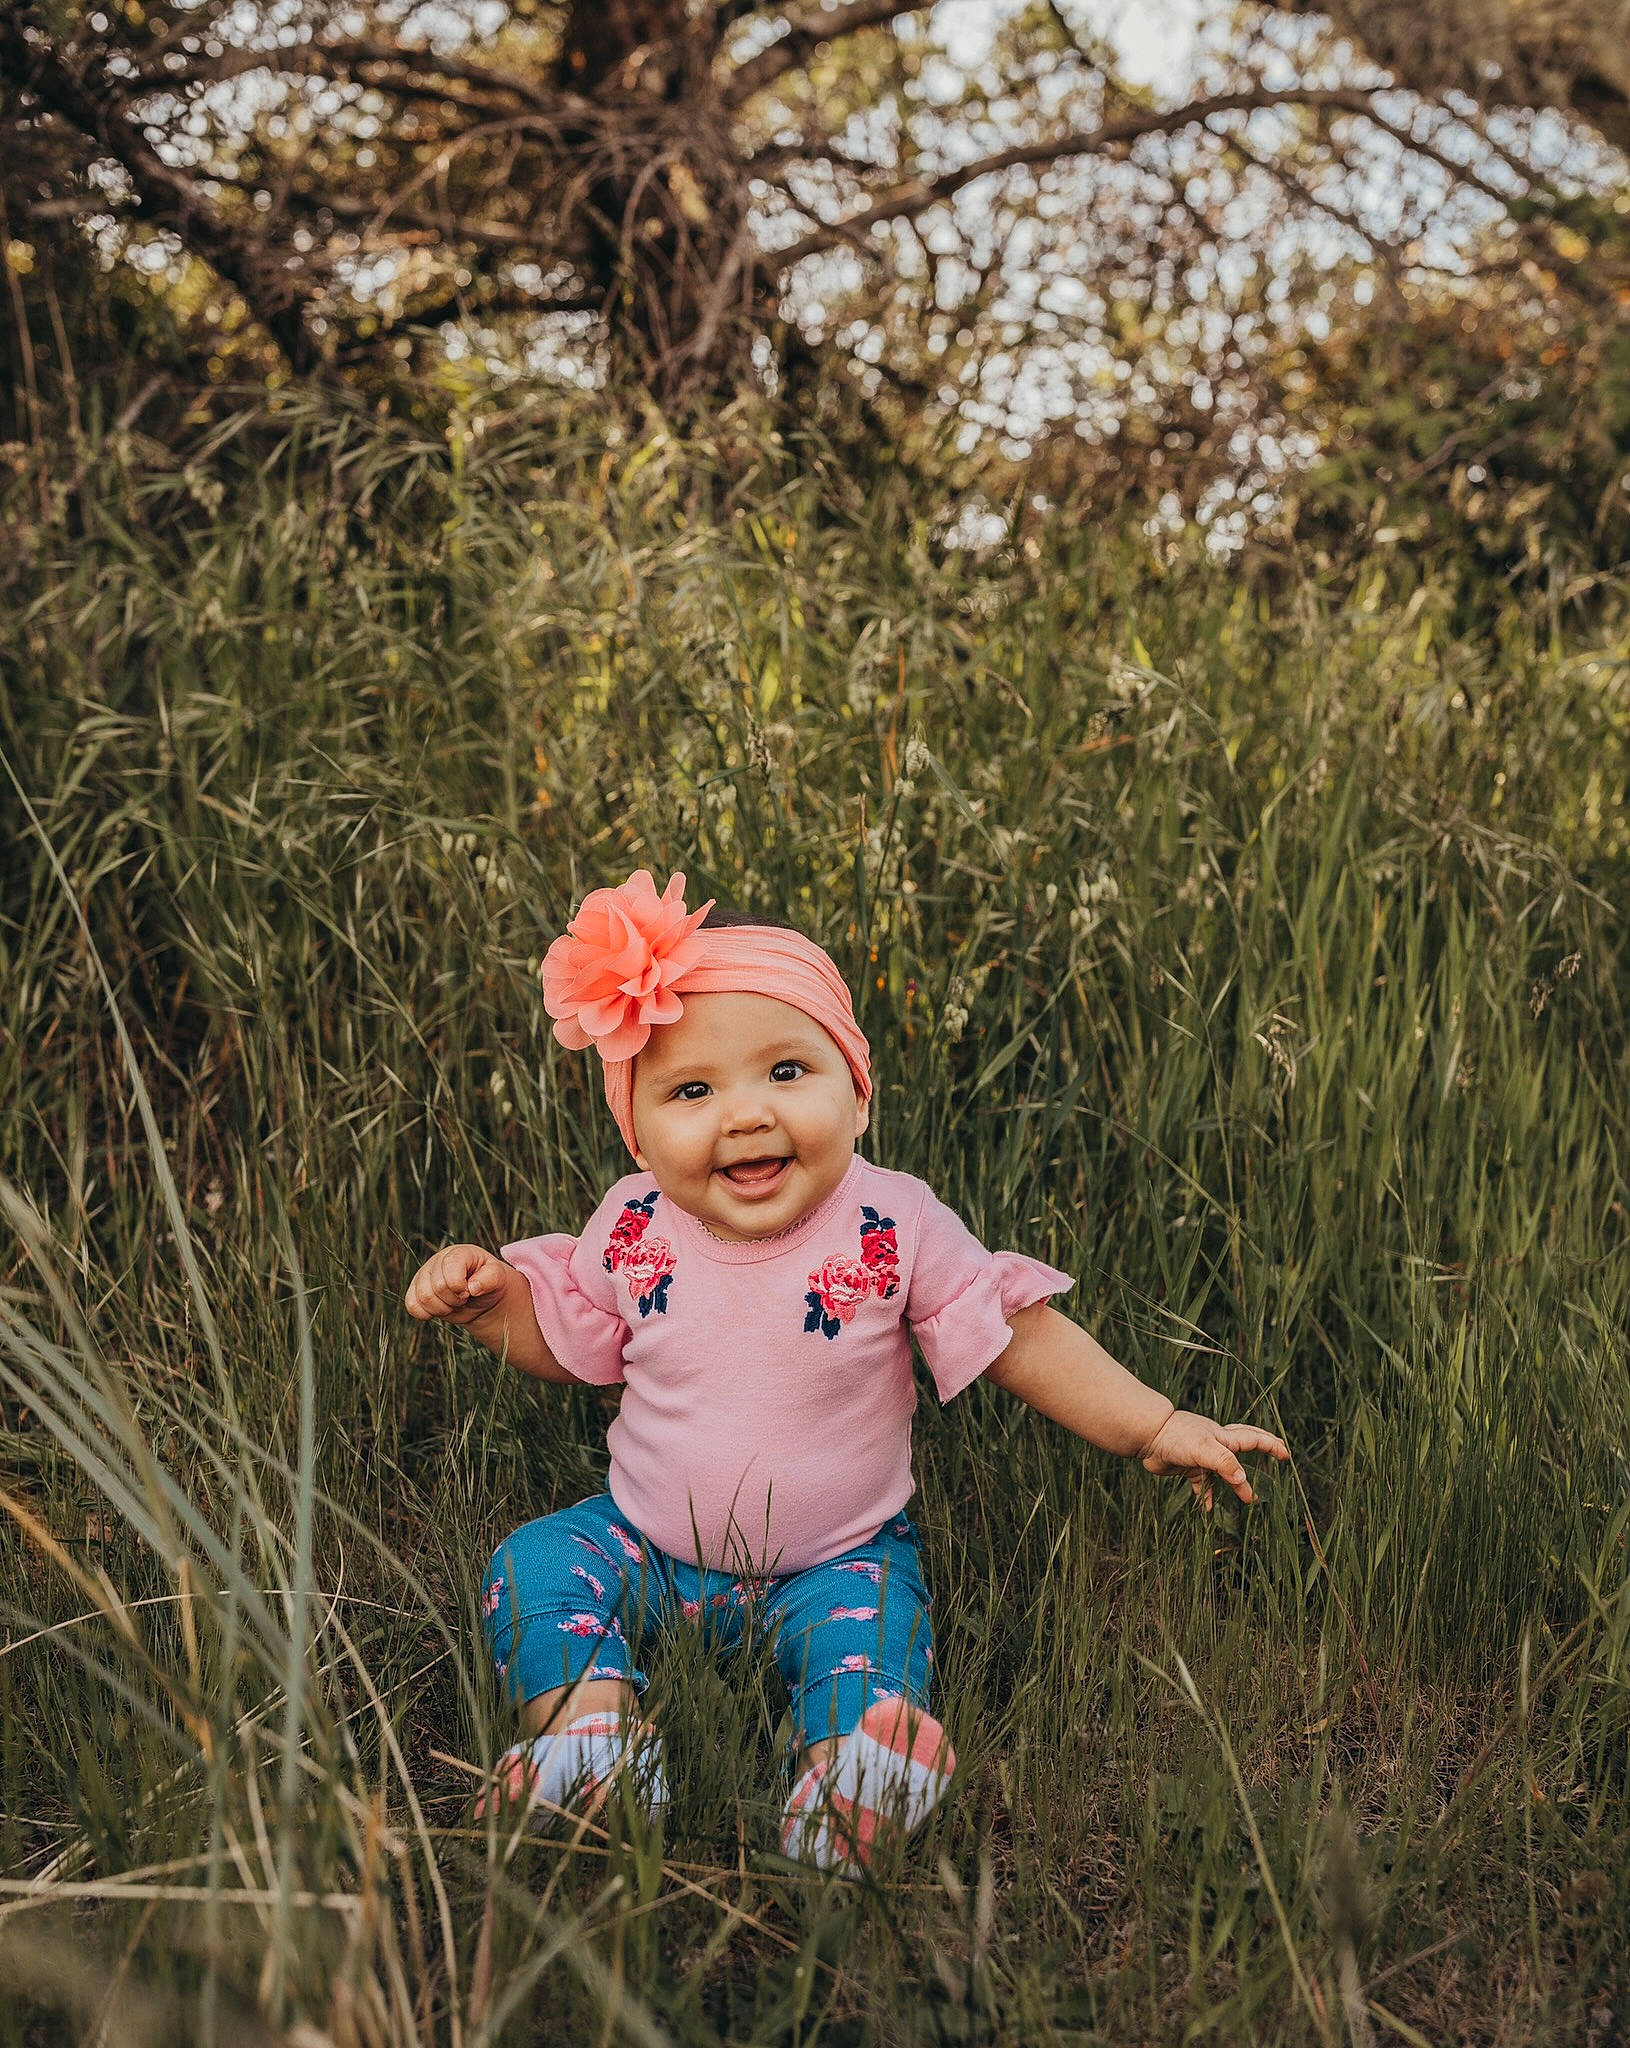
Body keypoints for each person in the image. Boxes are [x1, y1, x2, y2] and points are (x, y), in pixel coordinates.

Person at [404, 870, 1288, 1871]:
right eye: (693, 1090)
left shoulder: (891, 1225)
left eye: (786, 1071)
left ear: (857, 1094)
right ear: (638, 1134)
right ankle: (591, 1742)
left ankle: (850, 1782)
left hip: (840, 1557)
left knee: (868, 1648)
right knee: (535, 1565)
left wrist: (1154, 1423)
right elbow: (571, 1340)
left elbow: (1021, 1337)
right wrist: (495, 1307)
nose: (746, 1114)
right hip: (645, 1541)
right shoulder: (636, 1224)